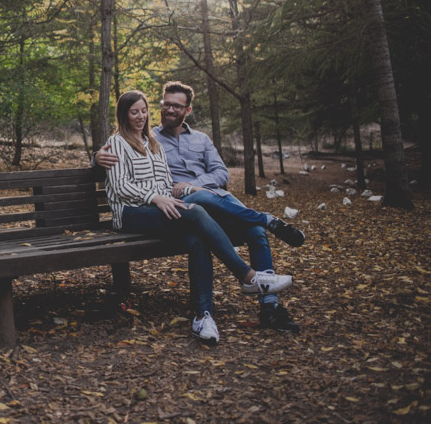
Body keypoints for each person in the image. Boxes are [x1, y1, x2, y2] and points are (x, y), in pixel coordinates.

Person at [96, 81, 303, 333]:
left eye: (144, 111)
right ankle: (242, 278)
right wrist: (156, 196)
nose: (168, 110)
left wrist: (191, 188)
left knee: (230, 231)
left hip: (200, 202)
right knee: (197, 218)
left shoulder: (161, 143)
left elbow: (219, 173)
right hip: (155, 210)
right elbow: (117, 179)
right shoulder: (128, 141)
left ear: (188, 110)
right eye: (166, 104)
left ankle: (247, 310)